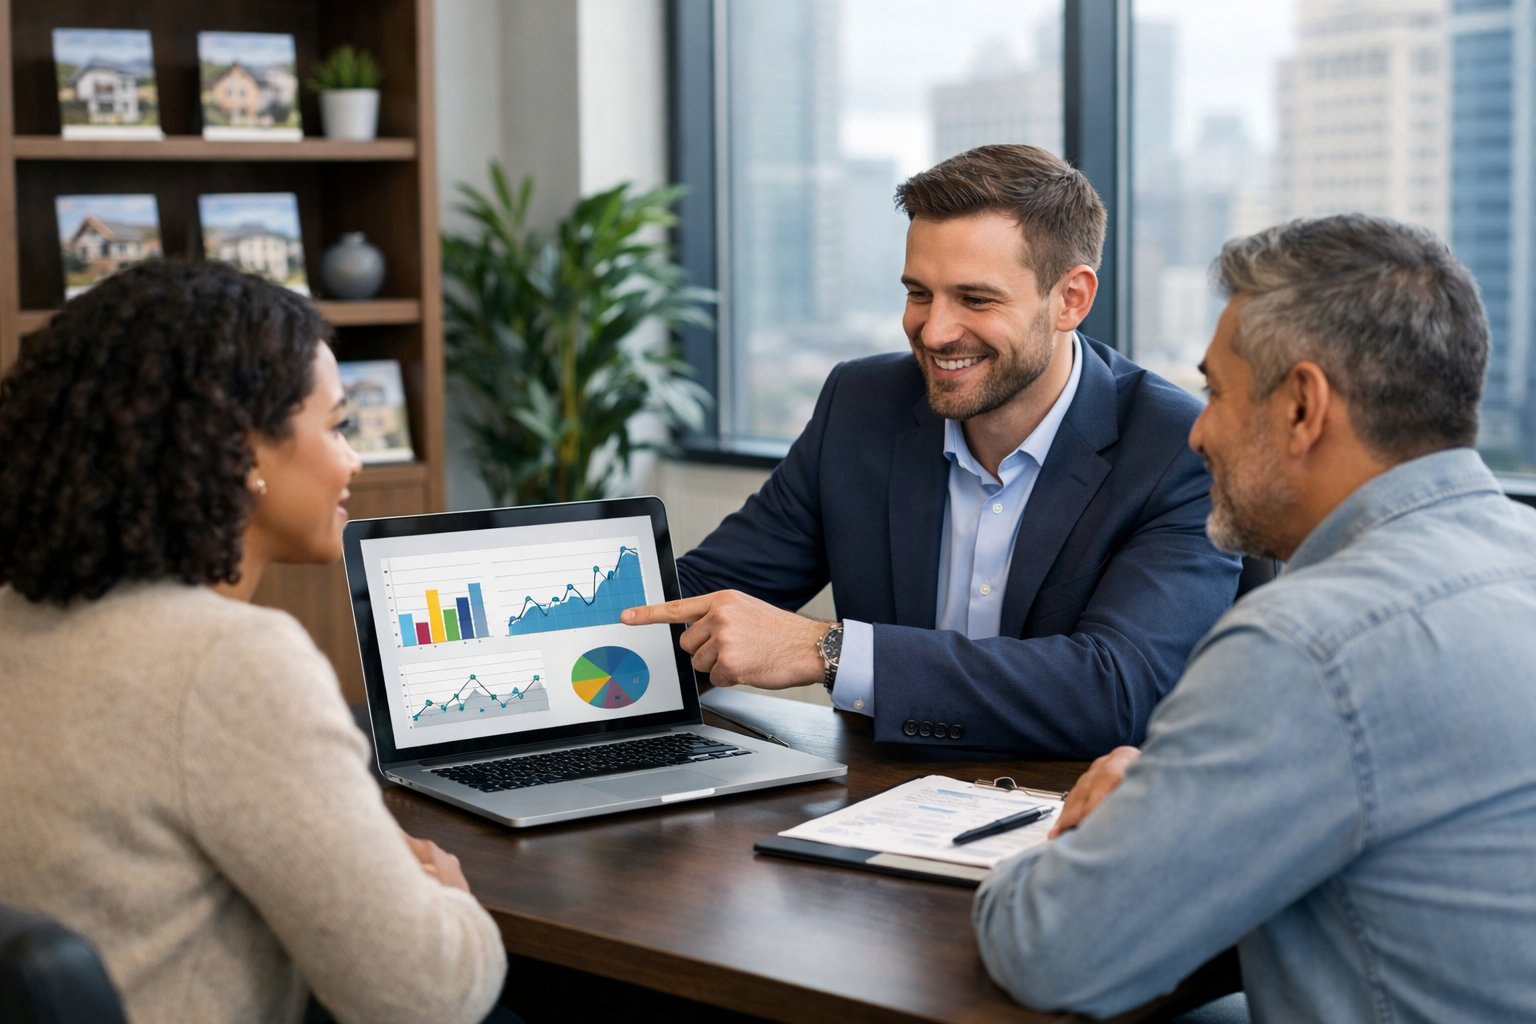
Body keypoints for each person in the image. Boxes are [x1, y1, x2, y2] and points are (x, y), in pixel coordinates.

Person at [973, 214, 1536, 1021]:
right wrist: (1182, 797)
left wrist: (1113, 833)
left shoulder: (1306, 646)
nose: (1197, 433)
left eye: (1216, 392)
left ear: (1303, 406)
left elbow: (1047, 947)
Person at [0, 261, 508, 1024]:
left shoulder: (15, 615)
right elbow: (428, 996)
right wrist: (451, 899)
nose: (354, 460)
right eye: (337, 426)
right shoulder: (230, 663)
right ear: (242, 453)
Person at [622, 144, 1241, 757]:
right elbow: (700, 598)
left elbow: (1116, 689)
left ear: (1071, 299)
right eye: (919, 293)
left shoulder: (1176, 449)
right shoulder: (862, 405)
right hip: (877, 793)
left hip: (1075, 806)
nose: (935, 331)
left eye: (976, 299)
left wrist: (827, 650)